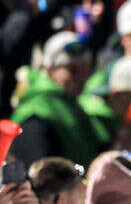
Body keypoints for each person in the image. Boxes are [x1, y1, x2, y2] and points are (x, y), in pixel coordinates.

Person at [8, 31, 103, 166]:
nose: (82, 77)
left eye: (85, 69)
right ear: (50, 69)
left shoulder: (73, 105)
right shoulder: (35, 112)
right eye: (72, 69)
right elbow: (37, 171)